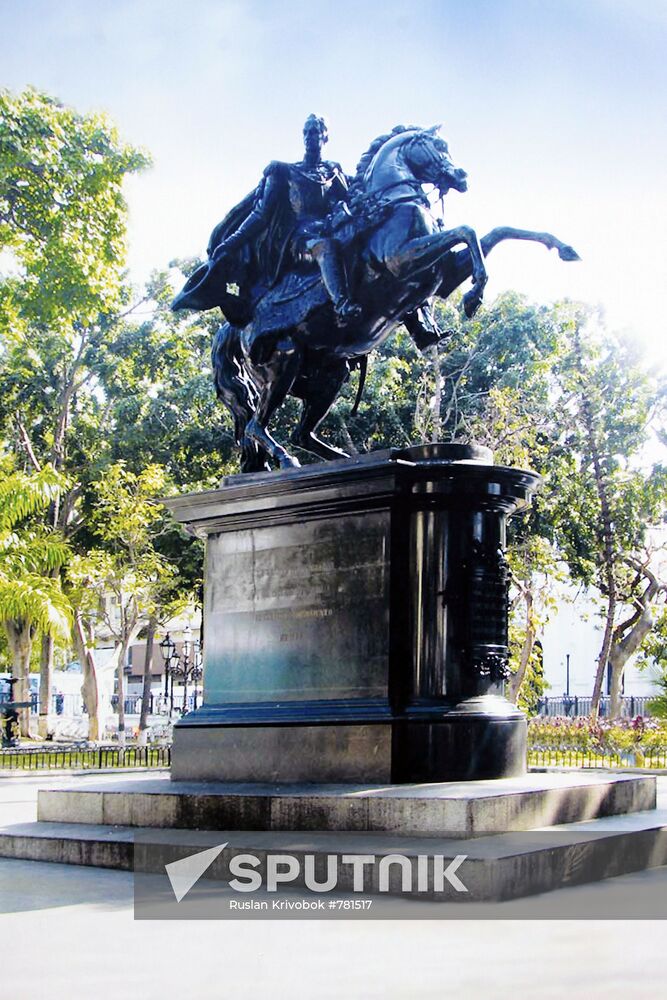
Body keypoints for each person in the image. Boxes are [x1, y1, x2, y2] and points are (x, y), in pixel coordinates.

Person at [211, 114, 362, 326]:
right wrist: (230, 243)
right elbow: (261, 215)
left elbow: (349, 198)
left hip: (331, 227)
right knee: (325, 248)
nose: (310, 136)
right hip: (300, 239)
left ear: (324, 137)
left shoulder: (332, 171)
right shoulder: (285, 171)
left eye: (315, 132)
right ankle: (342, 305)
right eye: (306, 132)